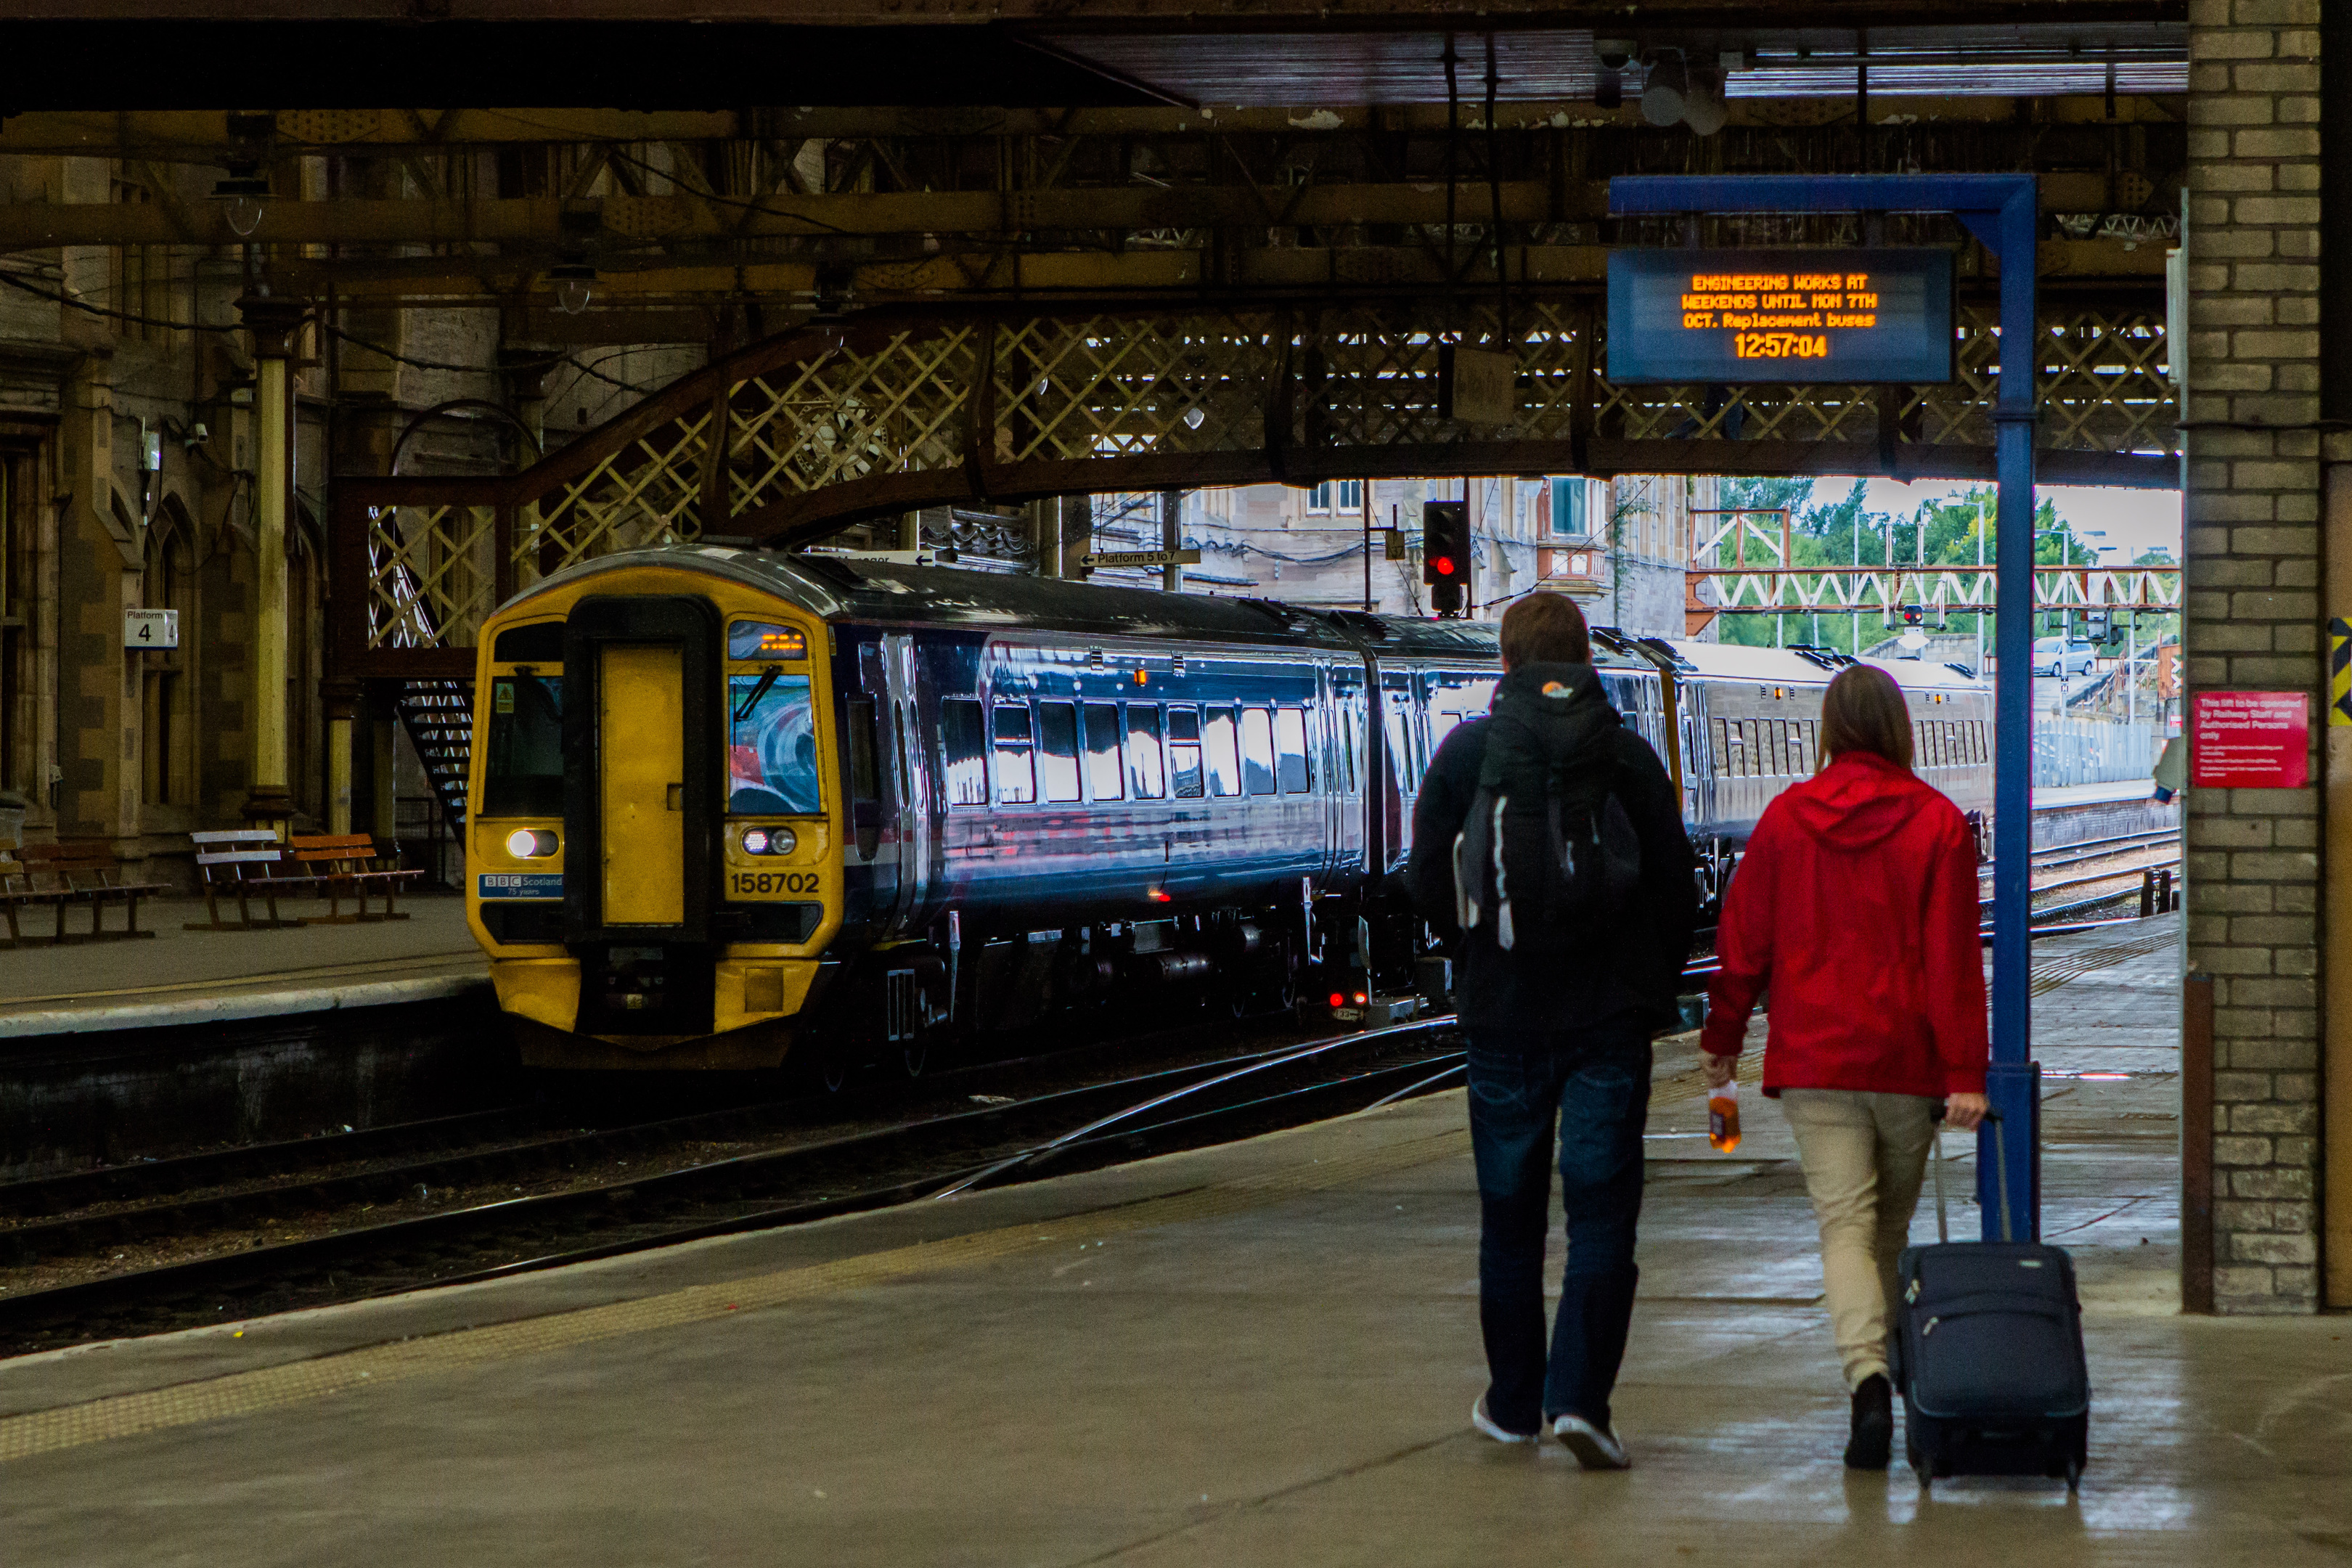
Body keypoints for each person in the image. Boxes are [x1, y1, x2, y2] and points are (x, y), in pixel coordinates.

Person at [1405, 591, 1696, 1469]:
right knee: (1602, 1214)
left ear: (1506, 662)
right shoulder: (1630, 755)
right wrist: (1645, 983)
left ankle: (1511, 1402)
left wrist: (1473, 952)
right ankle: (1581, 1402)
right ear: (1586, 661)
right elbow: (1677, 890)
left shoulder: (1467, 753)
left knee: (1511, 1215)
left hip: (1502, 1016)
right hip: (1608, 1019)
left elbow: (1424, 879)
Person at [1699, 663, 1990, 1471]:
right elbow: (1953, 963)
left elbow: (1744, 943)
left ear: (1827, 729)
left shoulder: (1786, 821)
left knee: (1844, 1229)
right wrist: (1965, 1071)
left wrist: (1723, 1035)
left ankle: (1868, 1382)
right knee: (1884, 1233)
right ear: (1901, 729)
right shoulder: (1938, 825)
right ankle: (1889, 1372)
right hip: (1906, 1065)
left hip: (1818, 1063)